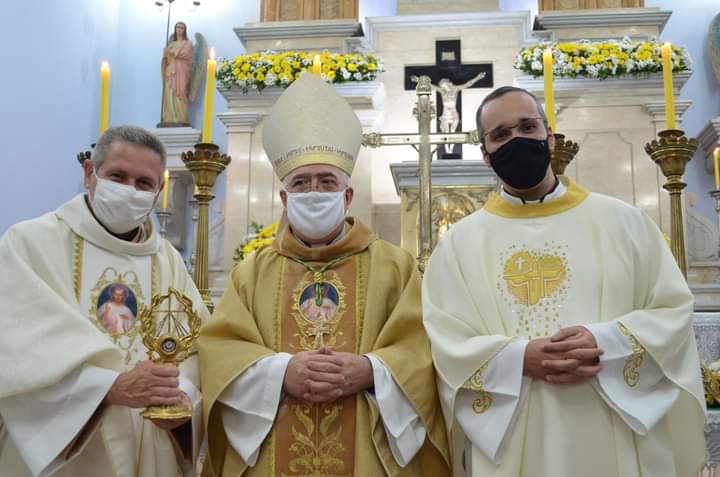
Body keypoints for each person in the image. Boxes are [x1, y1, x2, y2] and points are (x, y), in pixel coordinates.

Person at [422, 85, 707, 477]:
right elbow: (445, 340)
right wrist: (519, 359)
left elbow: (672, 310)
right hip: (517, 435)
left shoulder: (625, 223)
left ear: (550, 138)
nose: (517, 140)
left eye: (527, 127)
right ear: (486, 154)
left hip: (613, 425)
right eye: (501, 135)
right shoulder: (458, 245)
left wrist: (606, 341)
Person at [198, 73, 450, 477]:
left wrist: (370, 370)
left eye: (327, 181)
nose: (314, 191)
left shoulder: (394, 267)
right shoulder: (251, 273)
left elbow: (422, 351)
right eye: (301, 183)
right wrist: (281, 372)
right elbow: (220, 353)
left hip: (367, 448)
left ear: (347, 196)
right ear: (284, 198)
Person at [0, 125, 209, 477]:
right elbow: (18, 348)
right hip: (66, 446)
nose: (130, 190)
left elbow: (197, 348)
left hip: (147, 442)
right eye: (118, 176)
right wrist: (107, 389)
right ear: (89, 173)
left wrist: (179, 396)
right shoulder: (29, 243)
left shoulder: (167, 261)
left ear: (158, 191)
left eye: (144, 183)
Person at [161, 21, 194, 125]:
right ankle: (170, 118)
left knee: (181, 91)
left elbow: (185, 54)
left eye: (182, 28)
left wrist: (170, 52)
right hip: (170, 72)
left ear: (185, 30)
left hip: (182, 71)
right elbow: (166, 59)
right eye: (177, 27)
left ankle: (181, 118)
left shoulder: (187, 43)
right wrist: (165, 57)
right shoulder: (171, 44)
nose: (179, 30)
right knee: (170, 92)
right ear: (175, 29)